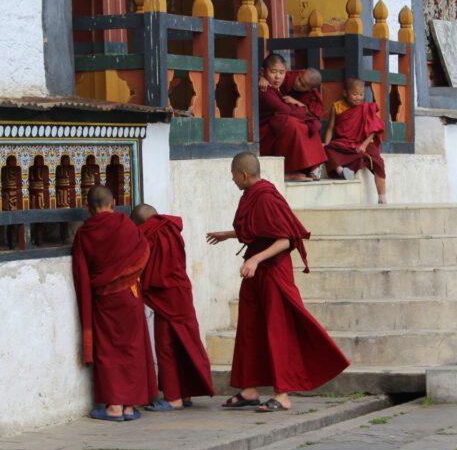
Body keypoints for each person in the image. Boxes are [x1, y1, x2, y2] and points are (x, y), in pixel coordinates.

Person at [206, 152, 349, 412]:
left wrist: (255, 260)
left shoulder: (265, 197)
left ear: (244, 175)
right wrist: (228, 235)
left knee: (277, 329)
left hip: (273, 271)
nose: (233, 180)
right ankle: (249, 389)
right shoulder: (252, 195)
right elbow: (258, 229)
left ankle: (283, 395)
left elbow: (285, 239)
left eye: (233, 175)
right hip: (257, 270)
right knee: (250, 328)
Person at [71, 185, 156, 421]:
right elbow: (143, 253)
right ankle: (129, 406)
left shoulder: (85, 233)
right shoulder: (126, 224)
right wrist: (129, 277)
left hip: (105, 299)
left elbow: (81, 272)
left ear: (88, 208)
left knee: (109, 350)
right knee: (132, 347)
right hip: (130, 295)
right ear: (114, 202)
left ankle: (114, 407)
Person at [133, 204, 215, 411]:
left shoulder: (148, 233)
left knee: (166, 344)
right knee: (184, 340)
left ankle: (173, 398)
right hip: (180, 288)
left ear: (141, 223)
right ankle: (184, 392)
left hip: (165, 292)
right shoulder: (170, 228)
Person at [258, 54, 327, 182]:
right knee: (291, 124)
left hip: (276, 123)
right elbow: (283, 109)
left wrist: (302, 108)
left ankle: (310, 167)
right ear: (263, 71)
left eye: (281, 72)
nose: (278, 77)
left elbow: (310, 113)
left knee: (309, 124)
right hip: (263, 132)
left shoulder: (311, 96)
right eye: (273, 72)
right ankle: (289, 171)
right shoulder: (264, 88)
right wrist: (301, 109)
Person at [324, 78, 388, 204]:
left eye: (361, 94)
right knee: (328, 149)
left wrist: (364, 145)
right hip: (345, 141)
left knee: (378, 162)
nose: (358, 98)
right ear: (345, 93)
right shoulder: (337, 107)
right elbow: (330, 128)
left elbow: (375, 128)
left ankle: (382, 197)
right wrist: (326, 143)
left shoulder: (366, 108)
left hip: (364, 141)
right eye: (354, 94)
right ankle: (341, 171)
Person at [261, 67, 325, 139]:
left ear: (310, 89)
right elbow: (271, 77)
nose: (298, 84)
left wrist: (297, 102)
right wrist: (263, 78)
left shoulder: (313, 96)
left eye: (303, 85)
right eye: (299, 79)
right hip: (275, 110)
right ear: (301, 72)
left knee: (314, 125)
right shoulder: (288, 76)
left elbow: (314, 114)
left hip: (291, 114)